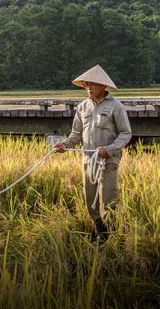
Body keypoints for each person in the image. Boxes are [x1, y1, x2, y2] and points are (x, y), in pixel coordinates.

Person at [53, 65, 132, 240]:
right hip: (89, 160)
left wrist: (109, 150)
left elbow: (126, 133)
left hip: (107, 161)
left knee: (108, 200)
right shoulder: (82, 107)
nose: (88, 88)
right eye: (86, 85)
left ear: (103, 87)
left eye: (92, 85)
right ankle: (99, 233)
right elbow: (76, 134)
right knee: (90, 200)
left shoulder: (116, 106)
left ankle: (112, 237)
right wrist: (64, 144)